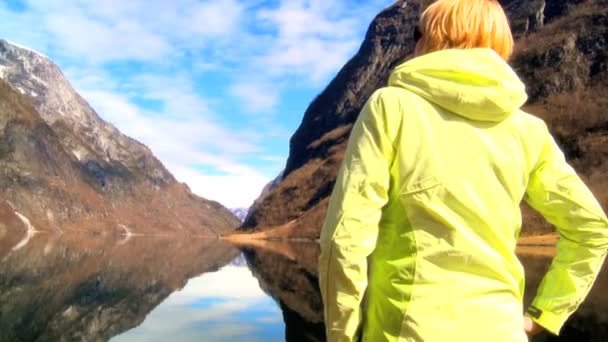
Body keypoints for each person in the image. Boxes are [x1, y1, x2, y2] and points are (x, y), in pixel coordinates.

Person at [318, 0, 608, 341]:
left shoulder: (391, 107)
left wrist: (342, 335)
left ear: (433, 38)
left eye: (417, 32)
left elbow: (343, 239)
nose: (413, 42)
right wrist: (545, 312)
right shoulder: (528, 131)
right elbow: (591, 230)